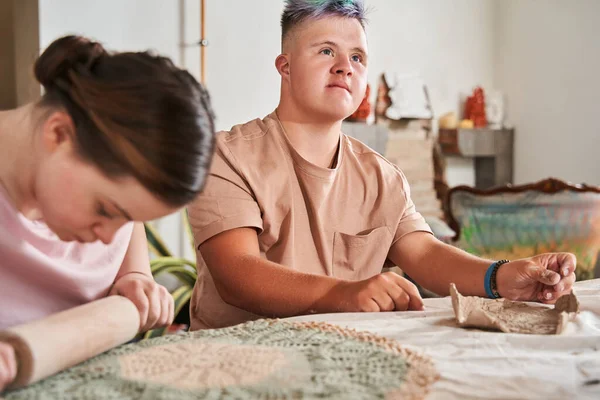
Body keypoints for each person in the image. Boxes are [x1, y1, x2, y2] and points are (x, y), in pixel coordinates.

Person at [187, 0, 576, 330]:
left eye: (357, 57)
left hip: (351, 354)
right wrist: (343, 293)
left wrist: (501, 276)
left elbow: (424, 254)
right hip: (239, 360)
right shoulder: (226, 155)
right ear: (285, 67)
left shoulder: (381, 175)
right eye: (326, 51)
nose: (345, 66)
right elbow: (236, 273)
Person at [0, 35, 215, 389]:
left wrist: (137, 277)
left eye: (131, 218)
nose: (107, 237)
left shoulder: (111, 207)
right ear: (58, 134)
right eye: (105, 209)